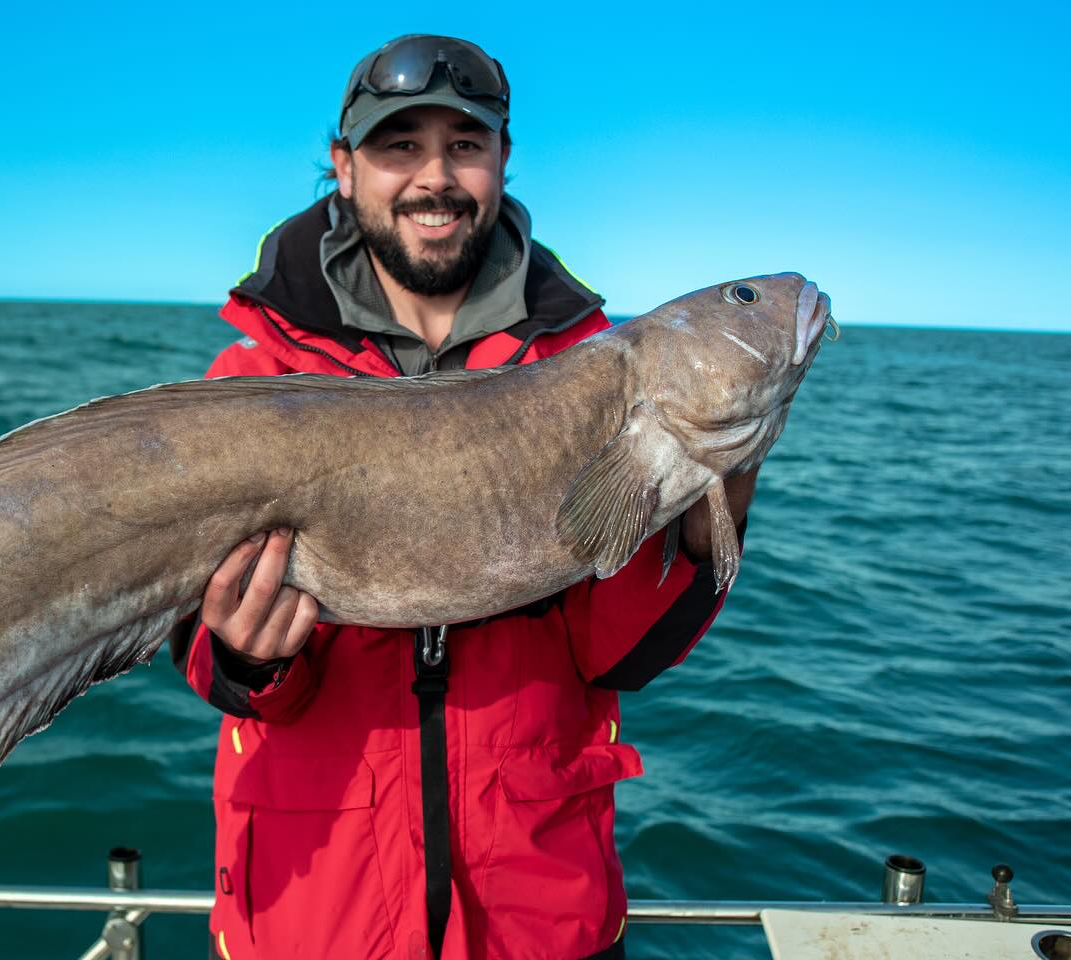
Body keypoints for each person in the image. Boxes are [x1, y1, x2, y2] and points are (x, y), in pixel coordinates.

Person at [170, 35, 757, 960]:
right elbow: (208, 664)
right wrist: (248, 659)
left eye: (465, 146)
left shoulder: (592, 366)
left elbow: (618, 655)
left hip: (539, 914)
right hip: (313, 916)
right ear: (344, 164)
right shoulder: (254, 376)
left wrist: (703, 520)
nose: (434, 178)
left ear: (502, 161)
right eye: (399, 146)